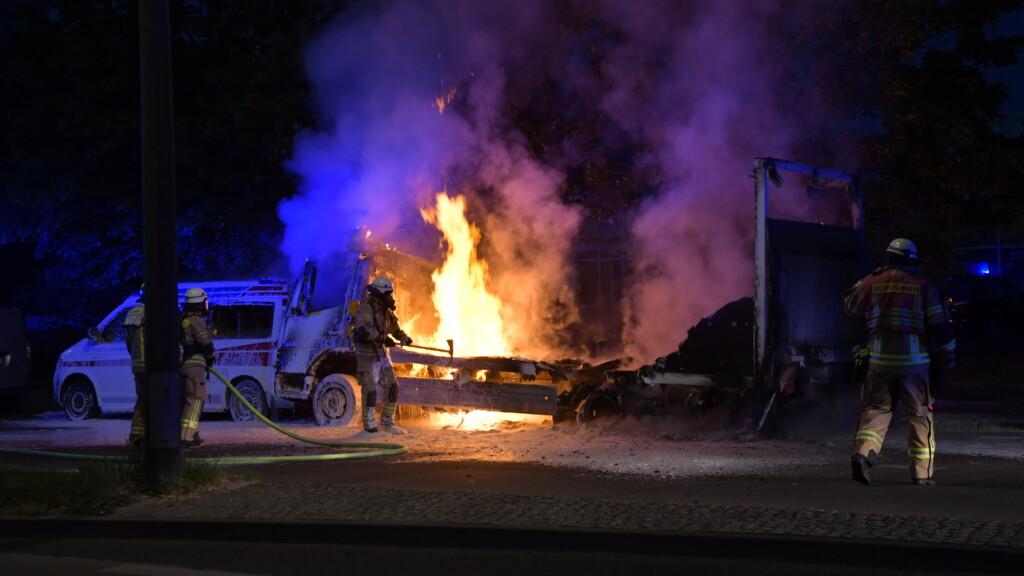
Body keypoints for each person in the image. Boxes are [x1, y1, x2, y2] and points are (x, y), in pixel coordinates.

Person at [843, 238, 956, 486]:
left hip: (879, 363)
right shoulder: (923, 285)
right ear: (911, 261)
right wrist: (949, 354)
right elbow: (939, 327)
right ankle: (921, 473)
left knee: (876, 411)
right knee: (919, 416)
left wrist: (868, 281)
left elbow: (849, 306)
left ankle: (863, 455)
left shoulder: (872, 282)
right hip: (914, 365)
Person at [352, 276, 413, 434]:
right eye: (388, 294)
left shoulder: (385, 311)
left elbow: (394, 329)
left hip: (381, 354)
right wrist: (382, 338)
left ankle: (387, 423)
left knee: (393, 386)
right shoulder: (366, 308)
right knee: (370, 389)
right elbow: (363, 329)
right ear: (379, 293)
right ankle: (369, 427)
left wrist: (403, 337)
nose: (390, 297)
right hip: (366, 355)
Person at [180, 287, 215, 448]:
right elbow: (206, 344)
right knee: (196, 399)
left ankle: (193, 434)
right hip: (195, 365)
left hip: (185, 365)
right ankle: (186, 437)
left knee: (190, 400)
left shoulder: (184, 320)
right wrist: (210, 357)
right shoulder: (197, 321)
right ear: (201, 304)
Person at [124, 286, 146, 448]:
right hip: (154, 366)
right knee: (159, 400)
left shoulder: (133, 313)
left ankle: (137, 436)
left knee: (142, 400)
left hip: (137, 365)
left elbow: (128, 342)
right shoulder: (158, 312)